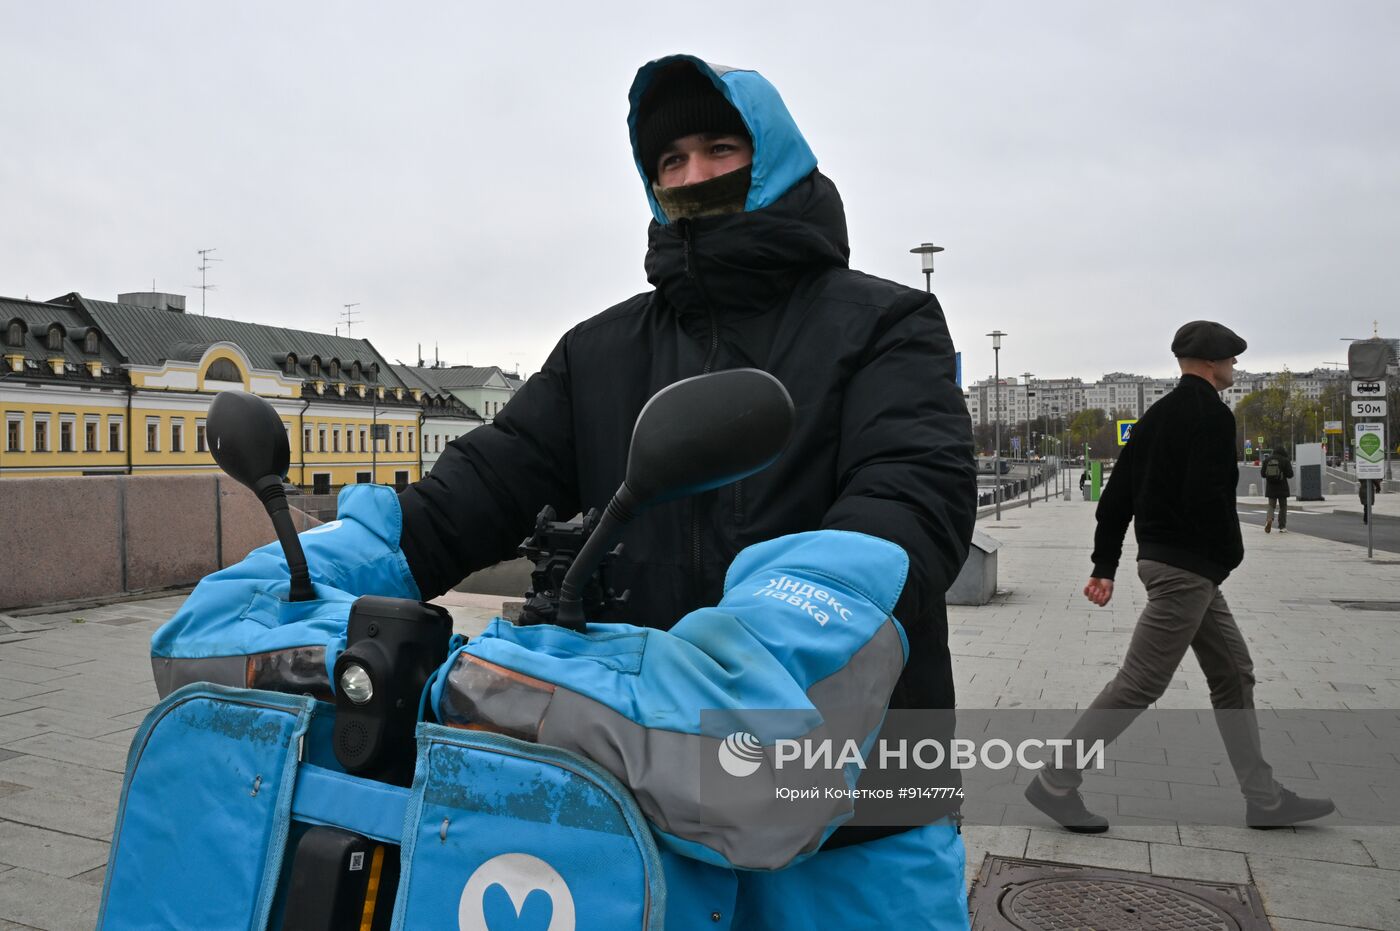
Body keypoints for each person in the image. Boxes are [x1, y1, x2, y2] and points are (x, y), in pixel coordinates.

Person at [160, 55, 977, 929]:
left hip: (854, 816)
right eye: (670, 162)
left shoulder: (886, 323)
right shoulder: (600, 352)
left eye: (719, 148)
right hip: (636, 799)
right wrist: (327, 565)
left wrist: (772, 637)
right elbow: (478, 483)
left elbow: (907, 499)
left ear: (773, 157)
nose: (694, 174)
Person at [1023, 321, 1333, 833]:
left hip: (1174, 566)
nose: (1233, 369)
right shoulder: (1211, 416)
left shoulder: (1156, 415)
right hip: (1188, 569)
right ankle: (1056, 780)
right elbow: (1209, 498)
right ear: (1212, 363)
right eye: (1231, 361)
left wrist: (1106, 565)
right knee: (1140, 682)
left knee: (1234, 673)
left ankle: (1265, 798)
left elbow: (1116, 496)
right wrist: (1222, 559)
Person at [1262, 446, 1293, 533]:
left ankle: (1269, 520)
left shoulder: (1267, 460)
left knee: (1271, 506)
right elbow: (1290, 474)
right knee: (1283, 507)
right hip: (1282, 487)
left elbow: (1263, 474)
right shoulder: (1285, 460)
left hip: (1271, 487)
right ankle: (1282, 527)